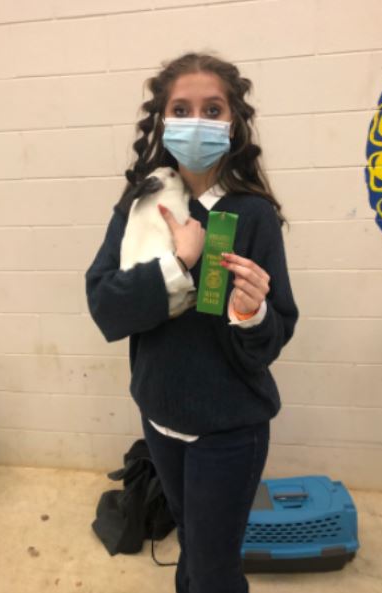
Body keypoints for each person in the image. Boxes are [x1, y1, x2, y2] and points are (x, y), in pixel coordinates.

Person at [86, 53, 297, 593]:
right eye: (181, 108)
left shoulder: (252, 216)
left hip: (228, 430)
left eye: (212, 108)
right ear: (162, 120)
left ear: (233, 122)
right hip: (159, 417)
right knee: (192, 547)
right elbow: (105, 304)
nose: (196, 119)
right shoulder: (142, 204)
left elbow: (272, 339)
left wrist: (253, 315)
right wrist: (178, 264)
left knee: (212, 570)